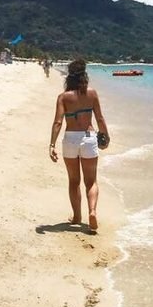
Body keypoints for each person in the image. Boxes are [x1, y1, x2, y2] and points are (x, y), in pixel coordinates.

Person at [49, 60, 111, 232]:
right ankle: (92, 211)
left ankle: (77, 216)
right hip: (88, 137)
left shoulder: (63, 97)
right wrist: (105, 135)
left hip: (70, 139)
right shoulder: (92, 94)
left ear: (69, 77)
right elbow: (99, 119)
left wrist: (52, 145)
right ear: (85, 76)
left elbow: (57, 122)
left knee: (74, 181)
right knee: (91, 181)